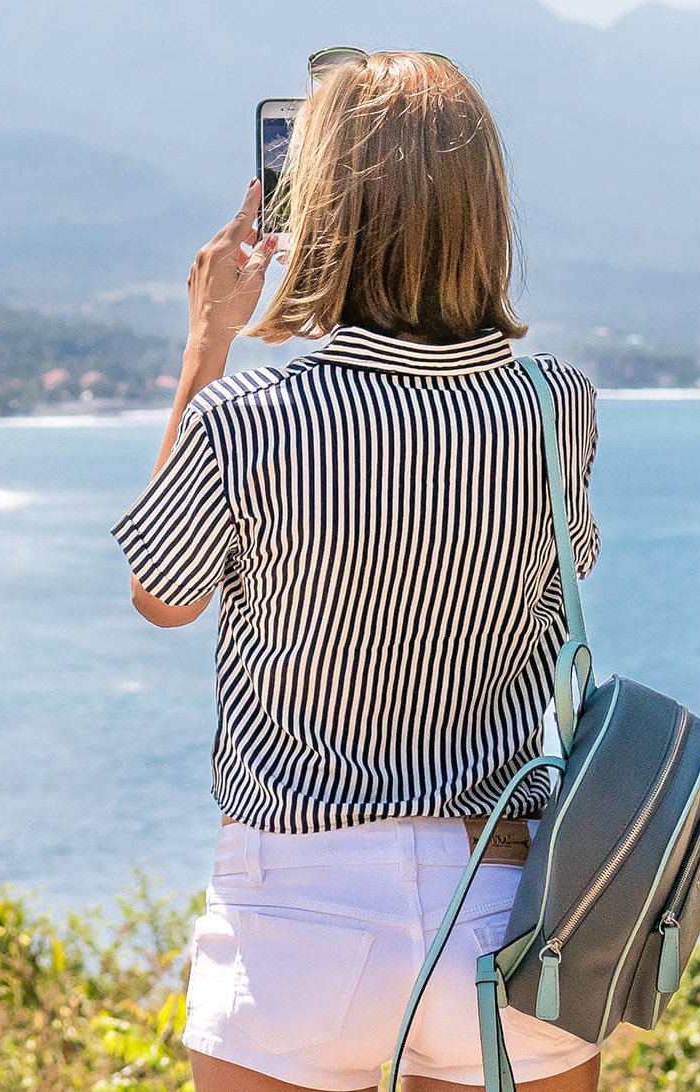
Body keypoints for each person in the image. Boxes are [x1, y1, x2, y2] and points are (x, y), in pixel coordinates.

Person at [112, 51, 603, 1092]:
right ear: (482, 210)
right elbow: (558, 594)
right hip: (504, 898)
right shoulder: (555, 404)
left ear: (322, 206)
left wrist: (207, 343)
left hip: (298, 908)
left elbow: (163, 591)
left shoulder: (253, 418)